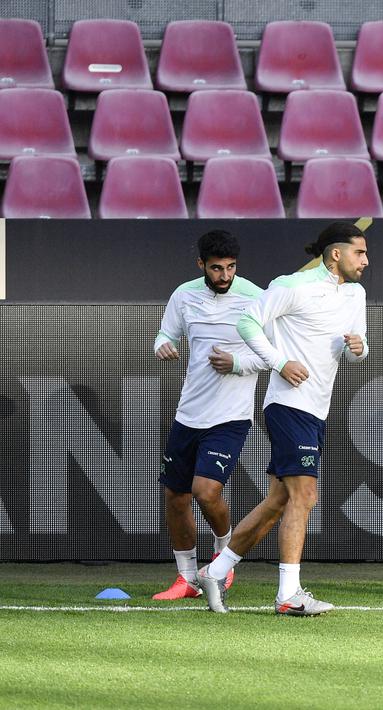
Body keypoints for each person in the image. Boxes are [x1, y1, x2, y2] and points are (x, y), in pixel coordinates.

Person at [197, 222, 369, 615]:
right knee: (306, 495)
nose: (366, 260)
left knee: (279, 500)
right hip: (287, 404)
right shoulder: (293, 286)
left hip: (316, 409)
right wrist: (280, 362)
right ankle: (288, 595)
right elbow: (247, 323)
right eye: (359, 252)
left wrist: (360, 348)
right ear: (336, 254)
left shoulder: (356, 294)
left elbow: (356, 351)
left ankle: (216, 570)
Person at [152, 230, 264, 600]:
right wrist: (163, 345)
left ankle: (220, 559)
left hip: (231, 415)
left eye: (231, 268)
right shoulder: (183, 295)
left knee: (205, 492)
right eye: (216, 268)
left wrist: (236, 363)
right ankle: (186, 579)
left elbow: (274, 355)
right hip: (189, 412)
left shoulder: (255, 297)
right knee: (176, 496)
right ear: (201, 265)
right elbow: (164, 334)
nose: (224, 276)